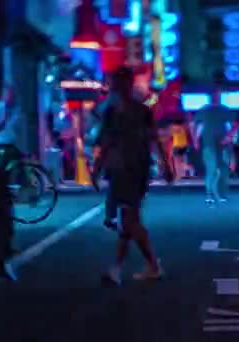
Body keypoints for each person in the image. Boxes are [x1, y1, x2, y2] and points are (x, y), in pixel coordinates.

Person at [92, 66, 173, 285]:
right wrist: (165, 165)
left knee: (130, 220)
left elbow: (107, 142)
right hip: (139, 169)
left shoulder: (114, 112)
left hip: (125, 169)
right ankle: (118, 269)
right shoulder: (141, 110)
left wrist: (96, 167)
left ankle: (150, 266)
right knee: (129, 220)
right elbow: (154, 138)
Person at [193, 87, 238, 204]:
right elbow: (196, 126)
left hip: (222, 143)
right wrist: (195, 140)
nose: (216, 97)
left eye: (217, 95)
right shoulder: (204, 110)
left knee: (223, 169)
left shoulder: (224, 109)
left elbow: (234, 125)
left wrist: (229, 136)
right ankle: (210, 195)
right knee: (211, 168)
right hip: (209, 143)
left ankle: (221, 194)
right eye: (214, 95)